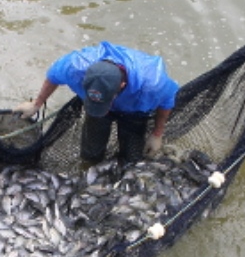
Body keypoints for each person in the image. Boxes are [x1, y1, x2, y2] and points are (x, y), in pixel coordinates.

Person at [14, 41, 179, 165]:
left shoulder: (152, 84)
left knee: (132, 156)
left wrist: (157, 134)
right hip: (99, 109)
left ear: (121, 86)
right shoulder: (76, 67)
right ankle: (91, 165)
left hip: (134, 108)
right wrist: (37, 103)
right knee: (90, 153)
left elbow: (166, 103)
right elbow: (53, 76)